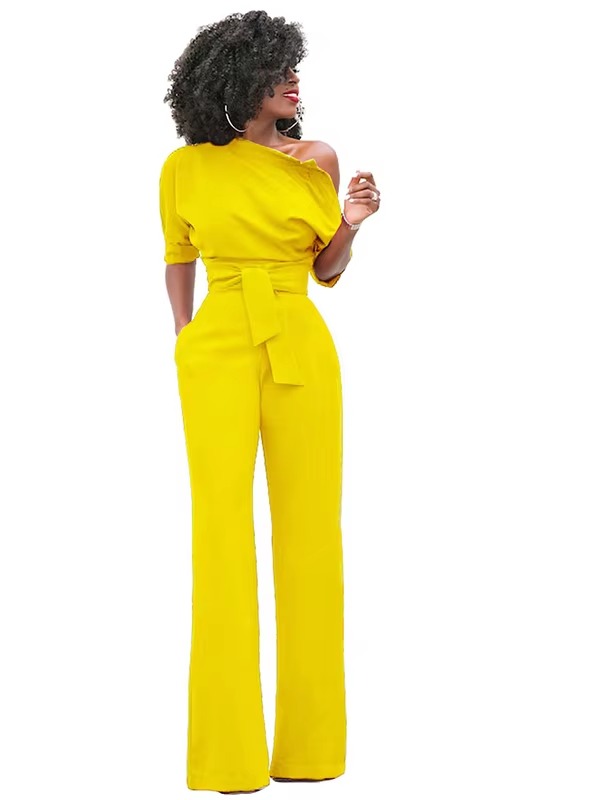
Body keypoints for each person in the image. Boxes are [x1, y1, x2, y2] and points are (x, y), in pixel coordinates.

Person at [158, 10, 380, 795]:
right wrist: (185, 337)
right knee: (220, 537)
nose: (293, 81)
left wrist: (351, 224)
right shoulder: (185, 168)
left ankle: (309, 751)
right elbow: (178, 256)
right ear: (234, 80)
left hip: (298, 337)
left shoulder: (316, 159)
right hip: (217, 344)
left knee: (311, 537)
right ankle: (228, 758)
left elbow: (326, 269)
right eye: (277, 70)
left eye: (293, 68)